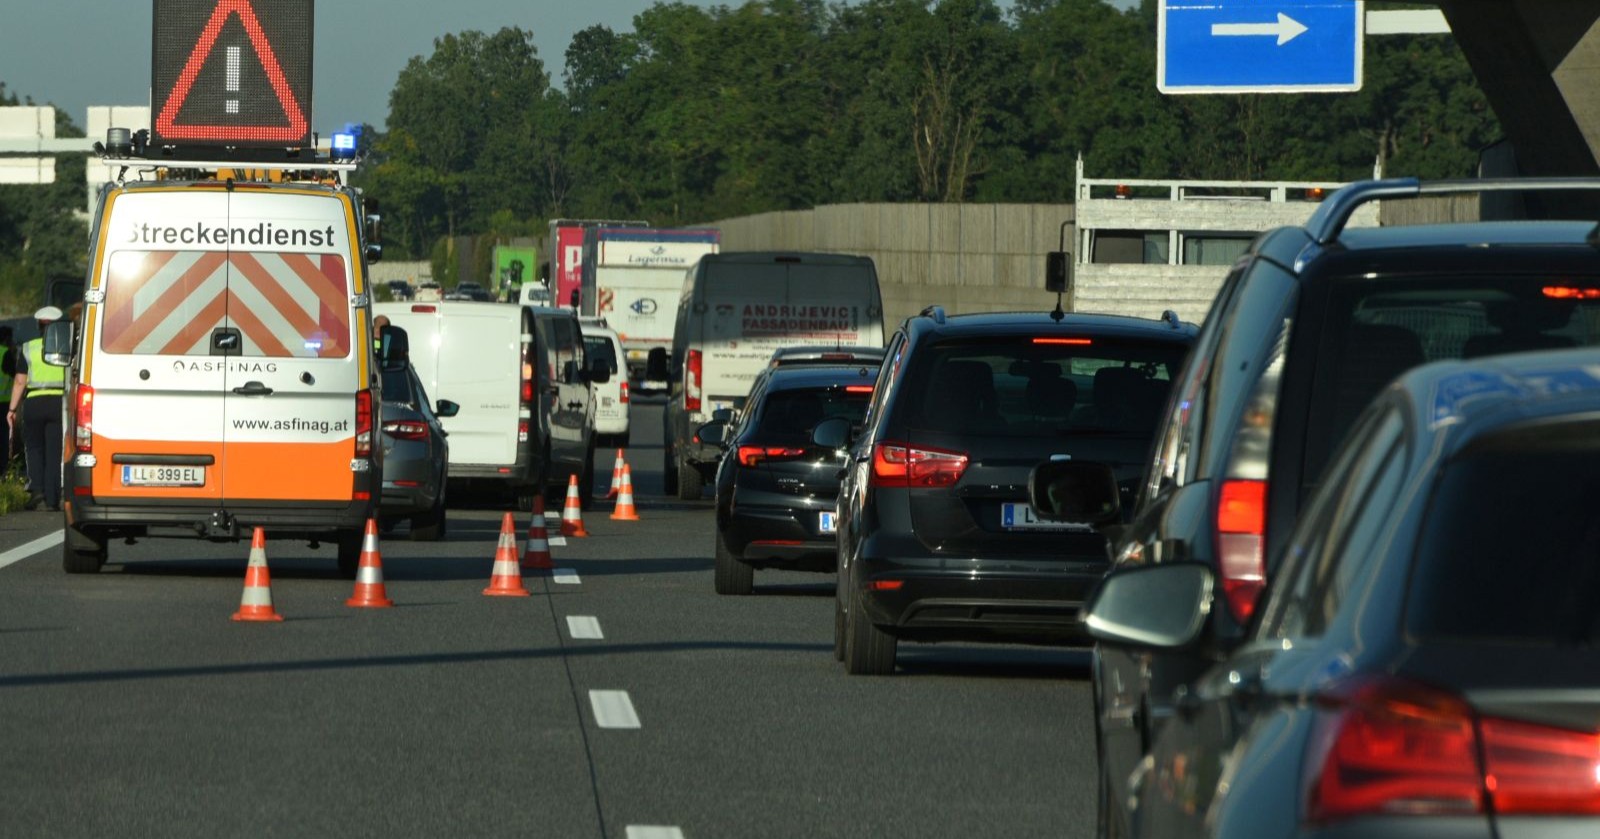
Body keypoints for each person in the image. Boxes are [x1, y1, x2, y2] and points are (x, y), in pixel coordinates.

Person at [9, 306, 66, 511]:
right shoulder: (66, 347)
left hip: (34, 402)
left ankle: (37, 490)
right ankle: (53, 498)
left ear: (38, 325)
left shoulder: (28, 347)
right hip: (59, 402)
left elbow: (19, 381)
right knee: (54, 450)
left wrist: (12, 409)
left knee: (33, 448)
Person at [0, 325, 15, 473]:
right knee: (3, 435)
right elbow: (15, 374)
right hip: (3, 401)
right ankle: (3, 467)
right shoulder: (5, 354)